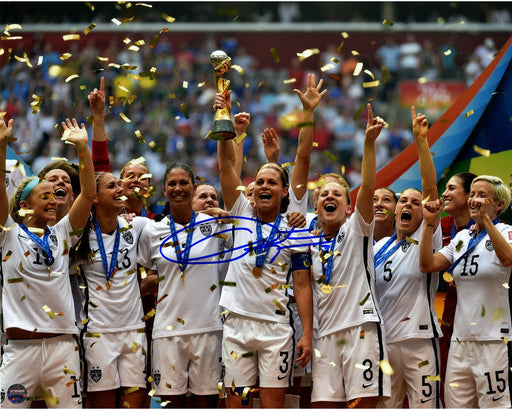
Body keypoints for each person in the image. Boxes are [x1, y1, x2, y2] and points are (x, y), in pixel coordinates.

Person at [0, 117, 95, 408]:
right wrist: (2, 145)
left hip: (62, 348)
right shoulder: (8, 235)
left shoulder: (63, 233)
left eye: (55, 196)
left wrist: (83, 148)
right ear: (24, 205)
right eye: (45, 196)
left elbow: (89, 195)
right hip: (20, 349)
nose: (54, 200)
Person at [309, 103, 389, 408]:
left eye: (337, 194)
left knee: (363, 404)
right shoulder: (308, 239)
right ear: (316, 206)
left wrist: (369, 143)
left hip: (360, 327)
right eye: (324, 194)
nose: (330, 197)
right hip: (324, 334)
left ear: (349, 206)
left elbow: (368, 186)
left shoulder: (358, 229)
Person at [138, 162, 227, 408]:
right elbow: (149, 275)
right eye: (172, 184)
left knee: (207, 403)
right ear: (165, 191)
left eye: (183, 183)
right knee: (170, 404)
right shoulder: (152, 231)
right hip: (167, 332)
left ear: (193, 186)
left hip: (208, 329)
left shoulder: (214, 226)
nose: (178, 188)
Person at [419, 175, 512, 408]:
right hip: (460, 341)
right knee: (455, 405)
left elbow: (508, 258)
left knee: (495, 405)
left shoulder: (507, 231)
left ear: (498, 204)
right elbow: (427, 265)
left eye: (482, 195)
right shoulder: (462, 237)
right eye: (473, 194)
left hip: (493, 339)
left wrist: (486, 222)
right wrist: (429, 225)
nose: (474, 200)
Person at [374, 107, 442, 408]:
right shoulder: (376, 249)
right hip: (385, 342)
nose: (410, 205)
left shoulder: (426, 235)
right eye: (404, 200)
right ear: (394, 208)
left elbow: (430, 190)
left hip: (420, 340)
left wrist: (421, 142)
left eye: (415, 203)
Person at [70, 171, 148, 408]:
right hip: (97, 333)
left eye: (119, 185)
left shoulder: (135, 226)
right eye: (112, 186)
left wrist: (212, 214)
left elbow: (176, 227)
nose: (120, 190)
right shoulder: (80, 237)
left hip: (134, 330)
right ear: (94, 197)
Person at [437, 171, 476, 403]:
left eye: (452, 188)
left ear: (470, 195)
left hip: (481, 328)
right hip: (449, 324)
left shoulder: (487, 229)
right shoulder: (442, 226)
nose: (445, 193)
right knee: (450, 398)